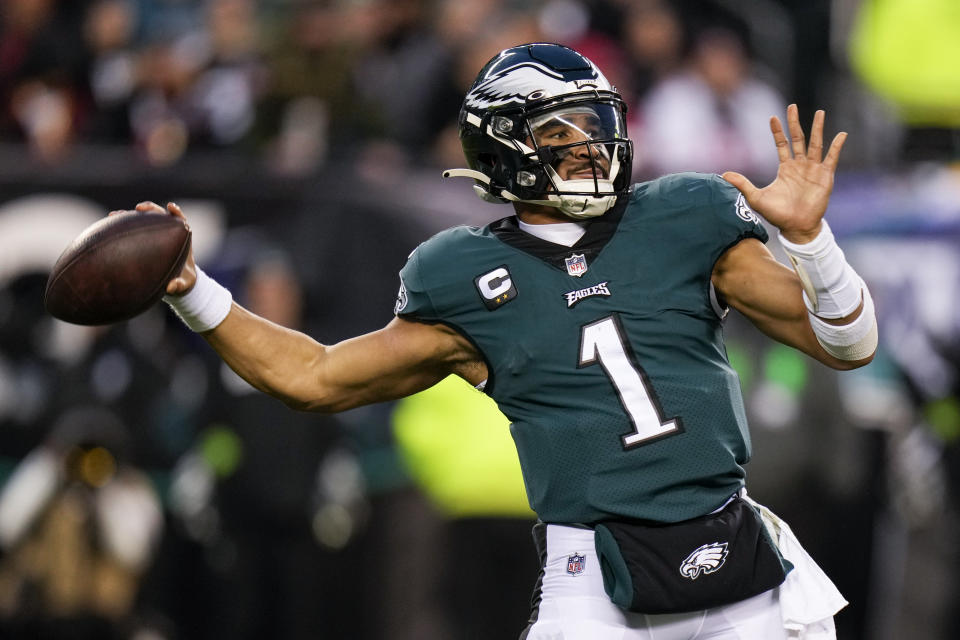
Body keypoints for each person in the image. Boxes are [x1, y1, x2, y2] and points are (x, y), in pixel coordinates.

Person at [128, 43, 877, 639]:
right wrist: (195, 292)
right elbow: (316, 376)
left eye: (595, 121)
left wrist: (811, 242)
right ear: (506, 147)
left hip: (742, 572)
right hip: (593, 586)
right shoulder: (462, 275)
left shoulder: (685, 216)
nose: (591, 144)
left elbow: (848, 344)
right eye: (564, 130)